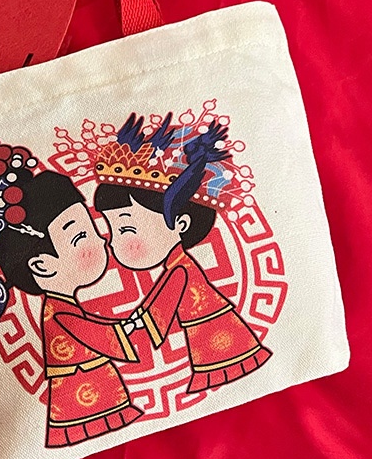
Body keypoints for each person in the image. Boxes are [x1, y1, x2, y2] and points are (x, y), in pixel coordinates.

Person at [0, 136, 143, 447]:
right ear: (43, 265)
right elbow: (96, 336)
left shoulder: (60, 307)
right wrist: (133, 328)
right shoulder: (60, 314)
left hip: (97, 394)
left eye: (93, 229)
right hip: (85, 402)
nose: (101, 240)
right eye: (81, 236)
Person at [93, 113, 272, 393]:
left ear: (180, 224)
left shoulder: (179, 269)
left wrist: (136, 323)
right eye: (112, 231)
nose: (113, 243)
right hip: (205, 331)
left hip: (213, 332)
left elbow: (161, 300)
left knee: (225, 366)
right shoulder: (177, 264)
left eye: (125, 229)